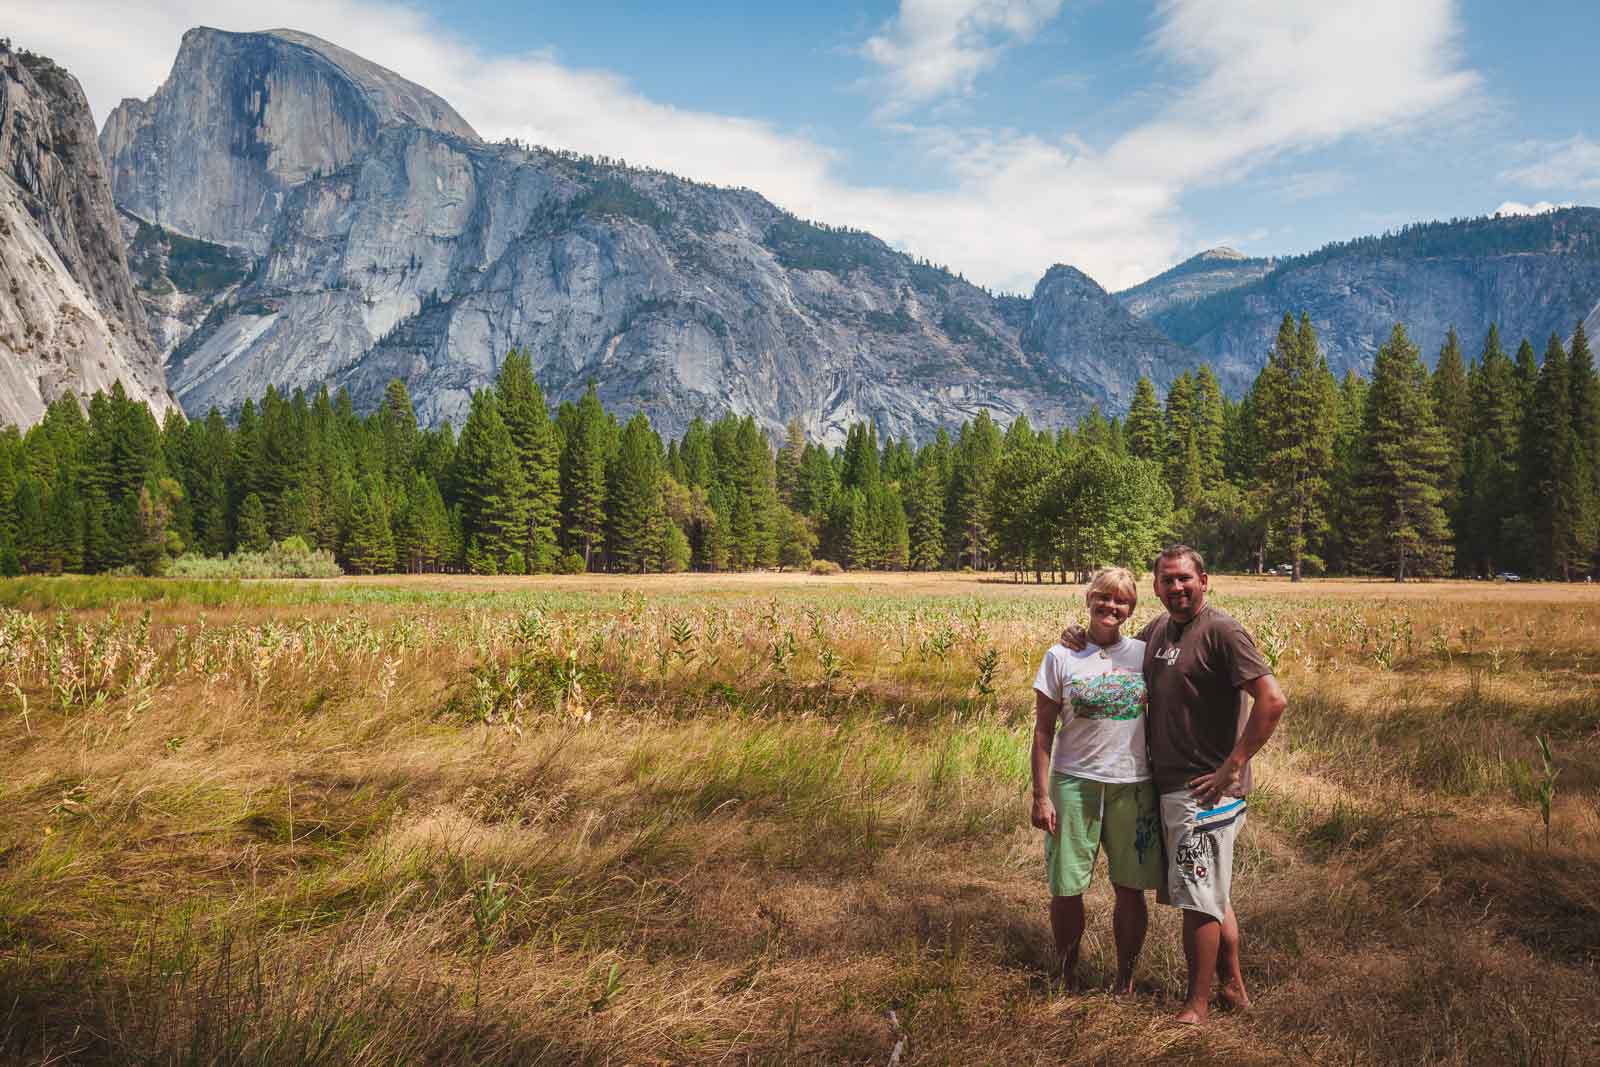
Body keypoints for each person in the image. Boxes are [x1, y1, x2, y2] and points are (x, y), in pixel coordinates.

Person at [1062, 545, 1287, 1024]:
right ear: (1157, 586)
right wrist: (1081, 637)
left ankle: (1197, 1007)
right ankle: (1233, 989)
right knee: (1211, 894)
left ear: (1204, 580)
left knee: (1198, 897)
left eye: (1185, 578)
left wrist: (1233, 765)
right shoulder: (1160, 631)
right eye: (1167, 580)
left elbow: (1273, 700)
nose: (1176, 587)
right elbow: (1115, 651)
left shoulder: (1222, 631)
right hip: (1164, 786)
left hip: (1204, 790)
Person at [1030, 566, 1163, 994]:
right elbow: (1042, 731)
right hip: (1074, 783)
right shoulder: (1061, 656)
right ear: (1089, 599)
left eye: (1121, 600)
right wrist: (1041, 795)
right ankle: (1068, 973)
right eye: (1103, 597)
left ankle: (1124, 979)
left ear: (1131, 608)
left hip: (1133, 783)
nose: (1111, 606)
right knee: (1067, 887)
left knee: (1130, 888)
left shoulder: (1143, 653)